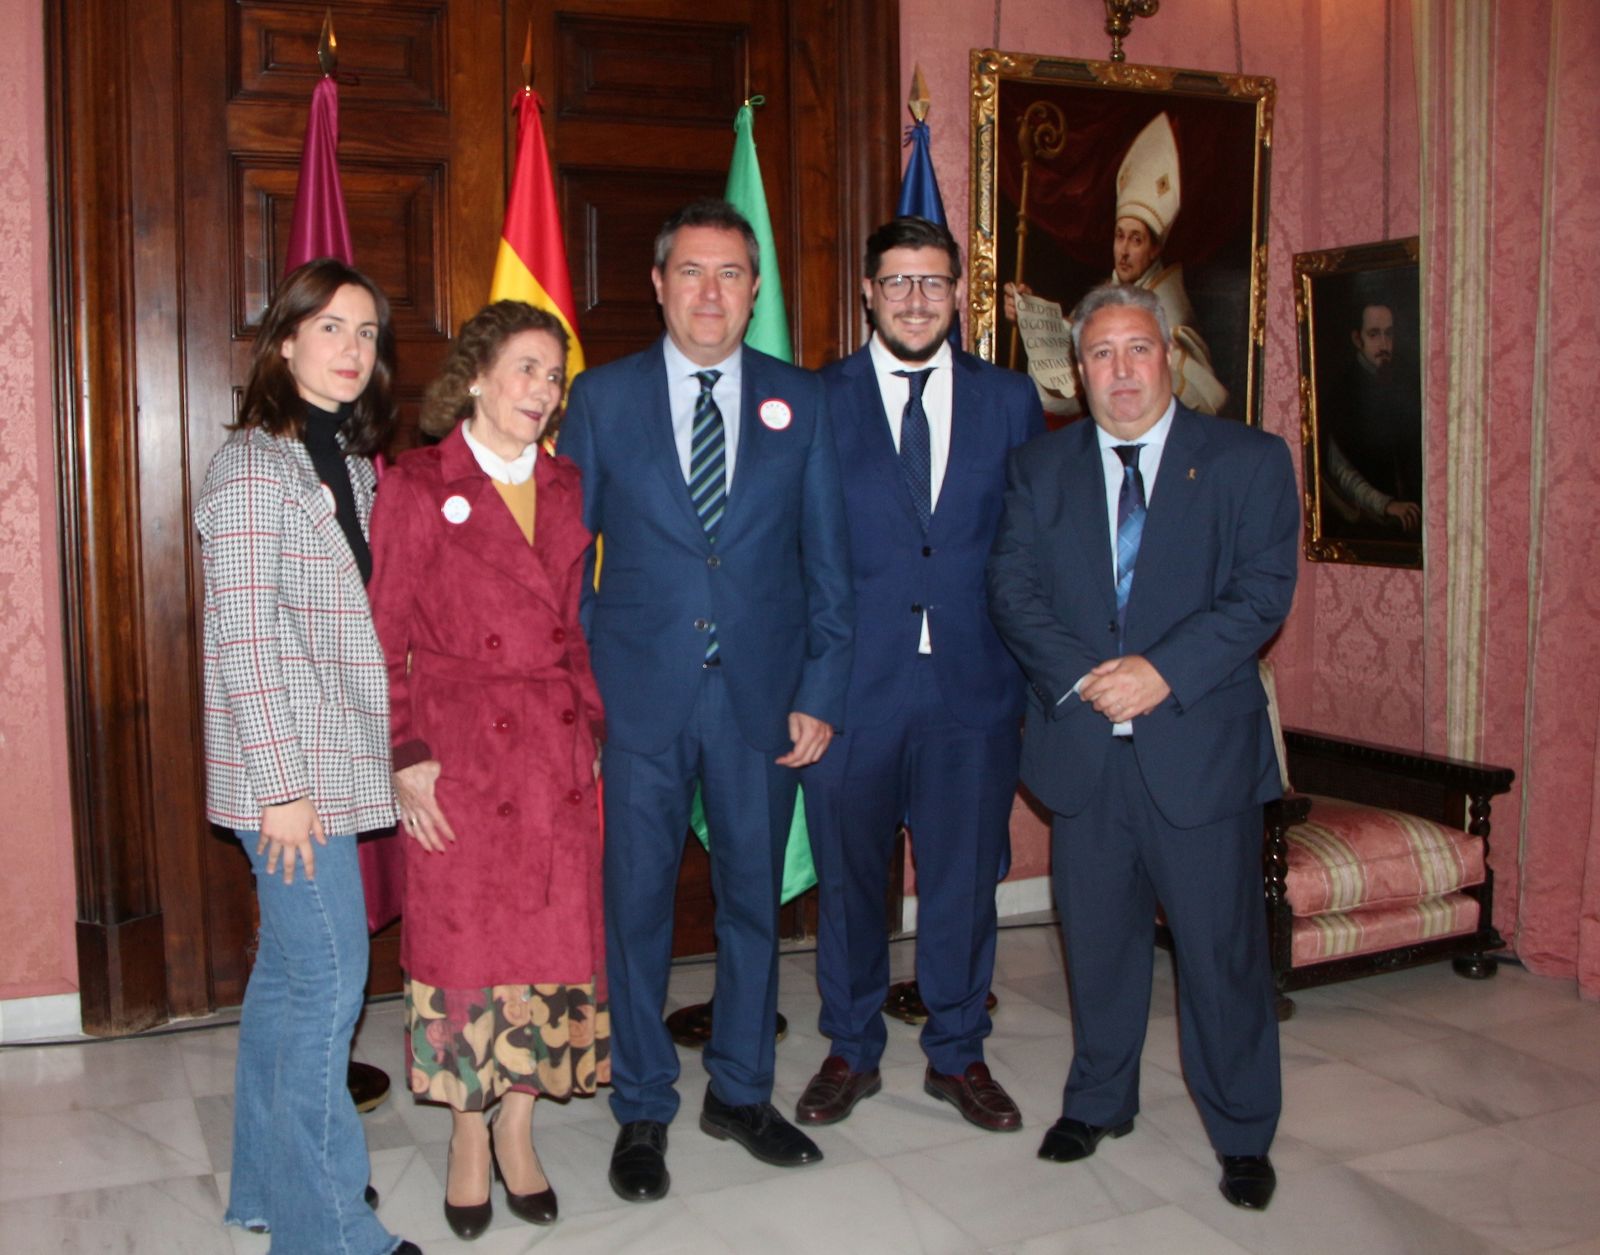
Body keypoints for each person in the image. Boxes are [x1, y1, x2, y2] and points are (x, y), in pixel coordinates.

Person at [557, 198, 853, 1203]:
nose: (711, 292)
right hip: (637, 701)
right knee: (636, 909)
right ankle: (642, 1105)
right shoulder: (602, 400)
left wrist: (820, 688)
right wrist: (582, 690)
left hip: (763, 702)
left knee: (751, 910)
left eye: (731, 273)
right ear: (657, 283)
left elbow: (828, 563)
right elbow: (564, 567)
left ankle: (738, 1089)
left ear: (756, 287)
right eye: (691, 271)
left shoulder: (799, 401)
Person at [986, 283, 1298, 1211]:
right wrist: (1089, 679)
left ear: (1169, 355)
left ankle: (1243, 1130)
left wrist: (1159, 672)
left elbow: (1261, 592)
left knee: (1220, 955)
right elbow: (1014, 592)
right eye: (1100, 356)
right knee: (1099, 945)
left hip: (1197, 752)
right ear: (1077, 371)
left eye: (1137, 350)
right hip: (1086, 756)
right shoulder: (1040, 472)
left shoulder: (1247, 460)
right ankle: (1098, 1100)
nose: (1120, 371)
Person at [366, 302, 608, 1237]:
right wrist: (404, 753)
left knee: (547, 949)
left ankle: (519, 1128)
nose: (542, 392)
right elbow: (383, 636)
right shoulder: (420, 484)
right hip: (458, 752)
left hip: (551, 752)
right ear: (475, 376)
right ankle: (469, 1133)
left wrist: (590, 722)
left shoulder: (568, 486)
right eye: (524, 369)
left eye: (554, 376)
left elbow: (576, 627)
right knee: (468, 952)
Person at [797, 216, 1043, 1132]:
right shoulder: (817, 396)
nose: (914, 299)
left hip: (973, 689)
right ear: (867, 292)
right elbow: (799, 551)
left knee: (962, 879)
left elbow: (1028, 541)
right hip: (852, 692)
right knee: (852, 882)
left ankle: (957, 1051)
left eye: (933, 283)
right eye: (896, 282)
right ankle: (851, 1047)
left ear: (958, 295)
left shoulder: (1010, 400)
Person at [195, 258, 421, 1255]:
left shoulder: (342, 460)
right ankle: (331, 1235)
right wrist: (282, 792)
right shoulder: (251, 468)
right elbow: (244, 643)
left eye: (367, 334)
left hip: (326, 766)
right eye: (330, 328)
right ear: (283, 342)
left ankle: (263, 1191)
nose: (352, 350)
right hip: (286, 783)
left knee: (290, 986)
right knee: (331, 987)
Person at [1004, 112, 1228, 418]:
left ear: (1155, 249)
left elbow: (1205, 402)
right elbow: (1062, 399)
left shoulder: (1174, 318)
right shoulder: (1102, 300)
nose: (1123, 251)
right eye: (1119, 237)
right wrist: (1034, 320)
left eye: (1136, 240)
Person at [1318, 302, 1422, 535]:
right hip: (1368, 521)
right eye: (1374, 334)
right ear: (1358, 339)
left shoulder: (1401, 384)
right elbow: (1339, 470)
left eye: (1389, 334)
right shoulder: (1342, 393)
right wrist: (1385, 504)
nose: (1384, 344)